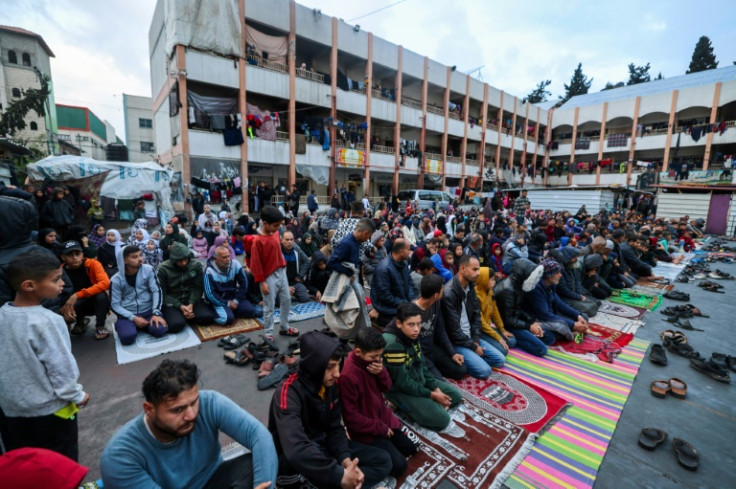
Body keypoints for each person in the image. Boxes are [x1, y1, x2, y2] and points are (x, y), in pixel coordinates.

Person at [100, 359, 277, 489]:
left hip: (213, 479)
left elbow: (259, 436)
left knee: (261, 460)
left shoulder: (210, 402)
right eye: (177, 410)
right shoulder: (119, 457)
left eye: (193, 402)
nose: (191, 415)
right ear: (149, 409)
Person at [269, 331, 392, 489]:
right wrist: (339, 475)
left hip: (325, 445)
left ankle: (348, 482)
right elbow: (296, 449)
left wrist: (346, 461)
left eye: (338, 365)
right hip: (301, 459)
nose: (337, 374)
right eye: (330, 367)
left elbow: (334, 427)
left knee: (383, 460)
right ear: (314, 366)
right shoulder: (288, 392)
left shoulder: (330, 384)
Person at [0, 250, 90, 461]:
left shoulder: (3, 315)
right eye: (56, 280)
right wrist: (77, 395)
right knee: (60, 465)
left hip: (10, 412)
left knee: (26, 468)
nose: (61, 284)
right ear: (29, 285)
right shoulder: (48, 320)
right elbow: (61, 367)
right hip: (52, 412)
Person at [339, 328, 418, 478]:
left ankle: (388, 444)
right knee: (400, 467)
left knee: (411, 448)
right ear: (357, 352)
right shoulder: (348, 376)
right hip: (367, 429)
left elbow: (387, 387)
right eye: (373, 356)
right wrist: (380, 429)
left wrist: (381, 372)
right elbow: (351, 419)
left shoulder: (374, 363)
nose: (377, 359)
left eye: (379, 356)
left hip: (383, 416)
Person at [383, 302, 463, 431]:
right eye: (411, 324)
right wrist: (432, 395)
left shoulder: (411, 333)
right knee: (443, 419)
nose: (416, 329)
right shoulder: (393, 344)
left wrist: (435, 388)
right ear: (399, 323)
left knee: (455, 396)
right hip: (400, 389)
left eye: (419, 324)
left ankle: (427, 403)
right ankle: (395, 401)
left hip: (416, 380)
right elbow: (403, 383)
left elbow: (421, 363)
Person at [442, 255, 506, 378]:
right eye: (474, 269)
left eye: (478, 269)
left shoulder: (471, 286)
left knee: (500, 359)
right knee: (485, 371)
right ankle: (466, 362)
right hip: (457, 341)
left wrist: (475, 340)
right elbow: (454, 331)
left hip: (471, 336)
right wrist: (473, 346)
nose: (478, 273)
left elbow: (476, 315)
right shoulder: (449, 294)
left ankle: (473, 358)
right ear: (462, 268)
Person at [251, 206, 299, 339]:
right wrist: (262, 282)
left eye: (280, 225)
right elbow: (256, 264)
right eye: (275, 225)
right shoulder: (258, 241)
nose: (278, 228)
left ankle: (284, 326)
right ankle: (269, 333)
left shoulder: (276, 233)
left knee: (287, 300)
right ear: (265, 223)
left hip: (281, 272)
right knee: (269, 306)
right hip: (268, 277)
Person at [410, 273, 466, 380]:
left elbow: (440, 330)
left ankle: (434, 369)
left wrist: (452, 353)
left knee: (461, 370)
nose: (444, 289)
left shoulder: (435, 303)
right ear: (435, 295)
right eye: (442, 288)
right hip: (420, 355)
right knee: (439, 383)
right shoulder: (411, 311)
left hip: (432, 348)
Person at [494, 259, 554, 357]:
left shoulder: (519, 285)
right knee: (541, 350)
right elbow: (507, 320)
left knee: (549, 337)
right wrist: (528, 327)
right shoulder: (506, 290)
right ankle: (518, 340)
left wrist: (532, 322)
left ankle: (526, 337)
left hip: (516, 320)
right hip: (506, 325)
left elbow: (518, 309)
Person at [110, 246, 169, 345]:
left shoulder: (148, 269)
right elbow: (114, 305)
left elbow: (156, 290)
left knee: (160, 330)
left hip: (149, 311)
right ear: (124, 260)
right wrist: (133, 318)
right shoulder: (116, 280)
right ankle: (132, 326)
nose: (140, 259)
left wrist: (156, 313)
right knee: (127, 338)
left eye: (140, 255)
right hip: (128, 314)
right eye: (135, 257)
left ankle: (143, 325)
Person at [524, 259, 589, 342]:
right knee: (550, 338)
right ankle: (567, 333)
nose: (560, 275)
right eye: (557, 273)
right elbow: (544, 315)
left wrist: (577, 315)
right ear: (548, 275)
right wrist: (573, 325)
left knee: (584, 317)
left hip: (551, 315)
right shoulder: (535, 288)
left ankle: (568, 332)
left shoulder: (551, 283)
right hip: (539, 319)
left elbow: (558, 303)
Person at [58, 241, 111, 340]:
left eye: (77, 254)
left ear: (82, 254)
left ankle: (100, 326)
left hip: (91, 301)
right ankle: (79, 322)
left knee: (101, 296)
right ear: (63, 257)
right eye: (70, 255)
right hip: (72, 304)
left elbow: (105, 283)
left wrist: (77, 295)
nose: (75, 257)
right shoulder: (60, 271)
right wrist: (63, 308)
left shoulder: (92, 264)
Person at [158, 242, 216, 330]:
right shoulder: (163, 269)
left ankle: (186, 313)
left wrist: (191, 303)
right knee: (176, 325)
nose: (184, 263)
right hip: (172, 302)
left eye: (186, 259)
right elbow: (162, 293)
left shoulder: (196, 265)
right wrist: (179, 306)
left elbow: (198, 287)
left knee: (207, 317)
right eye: (180, 260)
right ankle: (182, 315)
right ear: (173, 259)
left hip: (191, 299)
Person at [204, 245, 261, 324]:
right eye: (224, 257)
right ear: (215, 259)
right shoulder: (209, 271)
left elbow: (244, 284)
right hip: (220, 299)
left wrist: (236, 301)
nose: (228, 259)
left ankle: (229, 311)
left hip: (233, 296)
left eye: (228, 256)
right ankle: (215, 310)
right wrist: (227, 303)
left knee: (252, 311)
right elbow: (209, 294)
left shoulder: (235, 264)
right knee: (226, 319)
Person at [371, 238, 416, 328]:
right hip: (387, 308)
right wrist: (405, 304)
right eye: (408, 249)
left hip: (402, 302)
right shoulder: (383, 269)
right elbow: (385, 296)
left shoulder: (404, 263)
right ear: (401, 251)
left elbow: (410, 282)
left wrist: (411, 299)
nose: (410, 252)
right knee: (408, 324)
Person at [475, 266, 516, 357]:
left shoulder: (489, 292)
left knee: (512, 341)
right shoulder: (476, 296)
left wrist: (502, 330)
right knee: (503, 351)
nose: (494, 282)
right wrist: (498, 338)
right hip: (479, 330)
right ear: (484, 280)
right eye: (492, 280)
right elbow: (481, 323)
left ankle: (491, 342)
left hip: (488, 327)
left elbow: (495, 311)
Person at [548, 246, 599, 317]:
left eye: (576, 257)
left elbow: (577, 282)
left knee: (595, 303)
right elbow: (563, 290)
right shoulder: (560, 269)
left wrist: (579, 294)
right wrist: (578, 297)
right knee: (590, 309)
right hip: (565, 298)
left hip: (574, 294)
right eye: (574, 257)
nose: (576, 259)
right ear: (567, 258)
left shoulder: (572, 266)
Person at [281, 230, 311, 304]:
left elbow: (307, 261)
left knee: (305, 298)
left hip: (295, 282)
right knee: (283, 301)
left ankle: (292, 294)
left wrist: (300, 275)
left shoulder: (296, 249)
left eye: (291, 239)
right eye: (287, 240)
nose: (290, 242)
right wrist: (285, 287)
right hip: (282, 284)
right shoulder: (277, 251)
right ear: (282, 240)